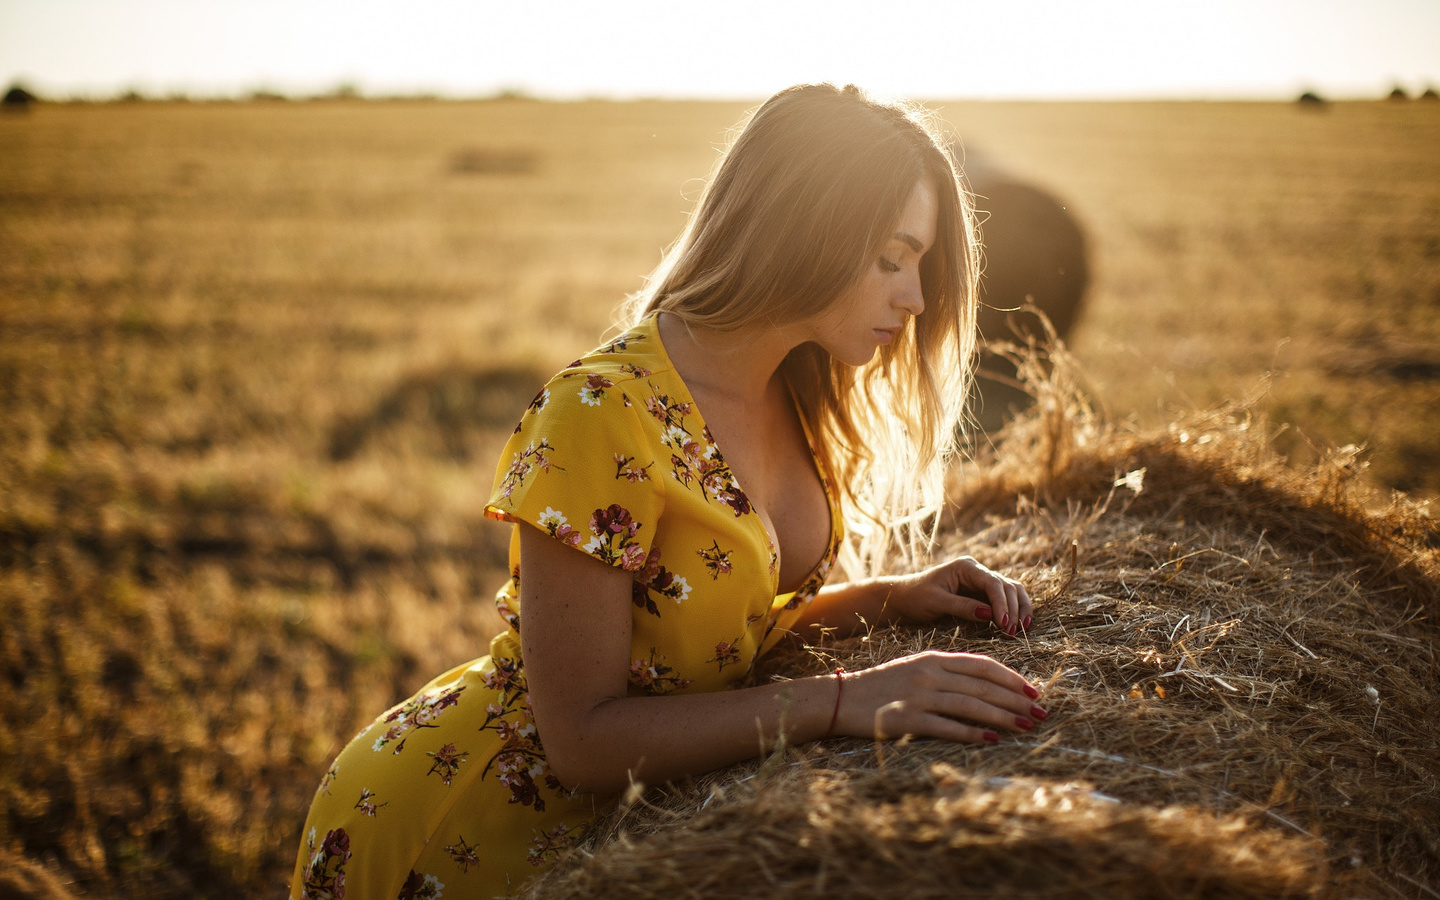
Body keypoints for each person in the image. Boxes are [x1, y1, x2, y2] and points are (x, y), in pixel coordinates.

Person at [291, 83, 1045, 900]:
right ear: (801, 233)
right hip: (466, 833)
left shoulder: (797, 388)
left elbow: (714, 630)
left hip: (627, 837)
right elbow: (580, 738)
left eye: (922, 264)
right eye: (891, 259)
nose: (916, 297)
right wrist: (844, 701)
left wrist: (893, 598)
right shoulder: (601, 414)